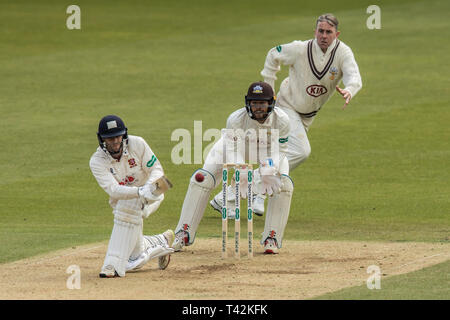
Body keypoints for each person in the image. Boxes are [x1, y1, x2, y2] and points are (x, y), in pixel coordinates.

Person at [250, 13, 363, 214]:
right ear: (315, 32)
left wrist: (350, 90)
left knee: (280, 153)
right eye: (320, 31)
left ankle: (235, 194)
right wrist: (269, 87)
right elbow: (272, 54)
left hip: (308, 115)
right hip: (287, 106)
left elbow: (355, 77)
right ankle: (256, 188)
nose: (324, 36)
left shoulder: (343, 53)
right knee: (301, 151)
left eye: (328, 32)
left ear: (336, 34)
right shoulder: (300, 49)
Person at [173, 82, 294, 254]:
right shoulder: (236, 119)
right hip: (235, 149)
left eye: (262, 103)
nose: (258, 107)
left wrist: (269, 169)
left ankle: (271, 237)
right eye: (254, 103)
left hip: (268, 153)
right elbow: (231, 149)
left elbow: (281, 150)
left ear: (271, 103)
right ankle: (183, 232)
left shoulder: (282, 120)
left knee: (283, 184)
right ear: (248, 103)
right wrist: (242, 171)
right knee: (202, 179)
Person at [89, 115, 175, 278]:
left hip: (151, 196)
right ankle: (161, 242)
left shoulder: (138, 143)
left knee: (130, 208)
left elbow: (157, 169)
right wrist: (138, 192)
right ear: (102, 140)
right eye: (110, 138)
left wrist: (148, 189)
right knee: (134, 257)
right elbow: (113, 190)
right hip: (124, 201)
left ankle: (112, 265)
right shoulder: (96, 161)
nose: (115, 141)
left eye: (118, 136)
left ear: (124, 135)